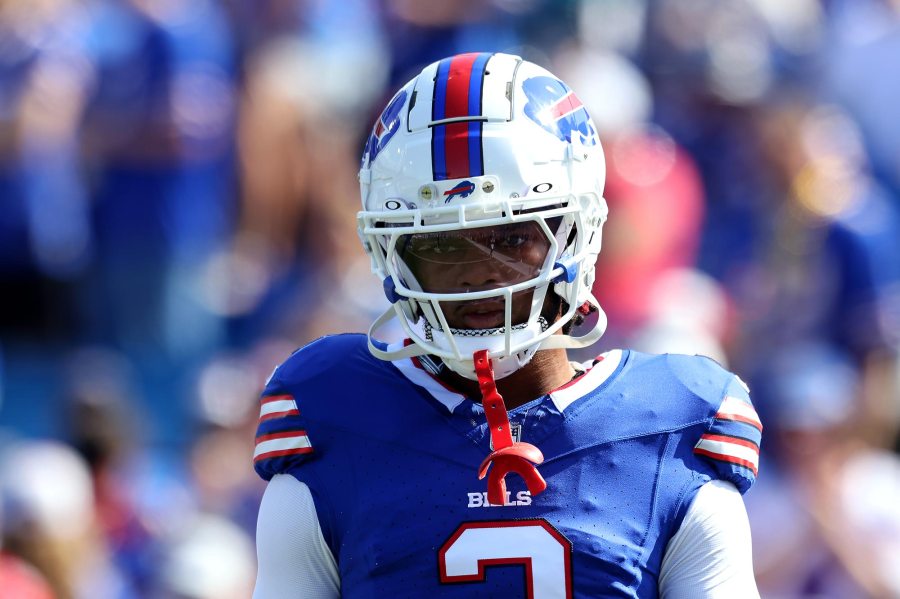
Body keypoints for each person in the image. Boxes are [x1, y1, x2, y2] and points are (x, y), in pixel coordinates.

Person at [251, 52, 762, 598]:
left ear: (576, 234)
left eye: (513, 238)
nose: (479, 275)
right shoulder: (337, 426)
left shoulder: (670, 432)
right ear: (390, 252)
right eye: (440, 244)